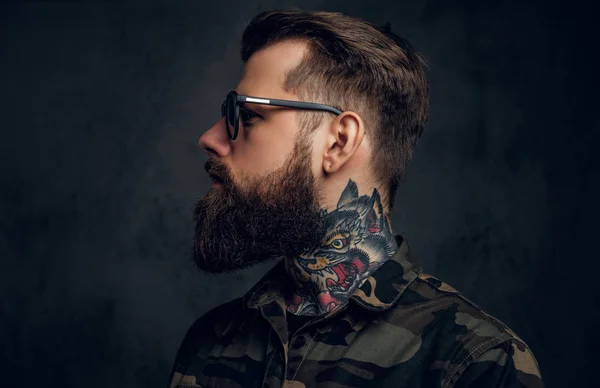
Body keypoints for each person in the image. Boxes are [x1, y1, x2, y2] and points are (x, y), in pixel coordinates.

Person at [168, 9, 544, 388]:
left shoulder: (475, 364)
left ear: (339, 142)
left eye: (247, 116)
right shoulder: (210, 344)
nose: (211, 138)